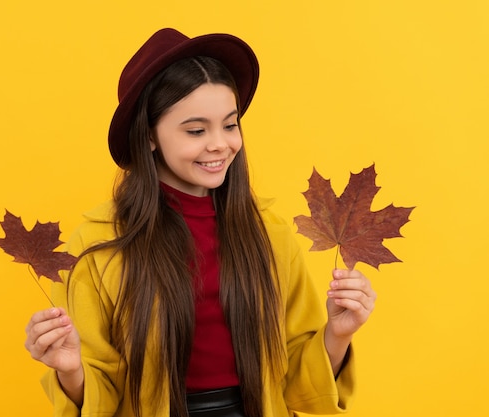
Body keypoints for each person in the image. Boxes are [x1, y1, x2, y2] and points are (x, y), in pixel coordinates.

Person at [24, 28, 376, 417]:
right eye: (196, 130)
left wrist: (337, 334)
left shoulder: (270, 234)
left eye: (230, 124)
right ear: (150, 135)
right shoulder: (97, 245)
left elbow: (296, 381)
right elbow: (102, 395)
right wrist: (71, 370)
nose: (220, 144)